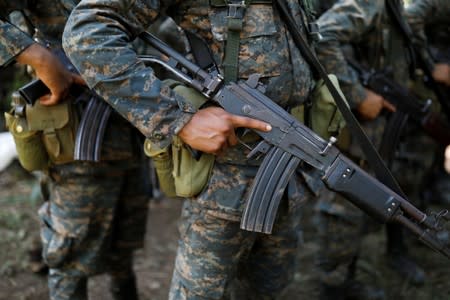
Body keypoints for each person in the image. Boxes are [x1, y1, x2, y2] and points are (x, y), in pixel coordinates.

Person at [62, 0, 329, 298]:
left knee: (268, 287)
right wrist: (176, 118)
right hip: (224, 176)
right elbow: (88, 30)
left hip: (293, 166)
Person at [0, 1, 151, 299]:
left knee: (124, 243)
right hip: (73, 128)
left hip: (132, 125)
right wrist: (37, 56)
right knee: (70, 252)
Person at [314, 0, 427, 298]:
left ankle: (358, 267)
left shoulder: (397, 6)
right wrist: (357, 94)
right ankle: (334, 282)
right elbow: (323, 35)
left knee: (386, 192)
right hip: (365, 126)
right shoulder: (370, 2)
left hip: (390, 120)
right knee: (346, 208)